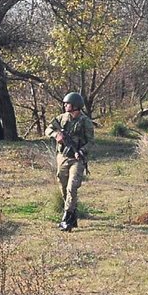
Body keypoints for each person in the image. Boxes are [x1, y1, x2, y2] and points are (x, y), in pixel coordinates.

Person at [45, 92, 94, 232]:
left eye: (68, 104)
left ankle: (66, 220)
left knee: (72, 188)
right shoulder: (61, 118)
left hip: (77, 160)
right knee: (63, 185)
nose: (65, 105)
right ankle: (73, 216)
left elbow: (91, 142)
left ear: (76, 106)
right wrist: (56, 135)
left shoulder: (86, 122)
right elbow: (48, 129)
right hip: (62, 157)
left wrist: (82, 151)